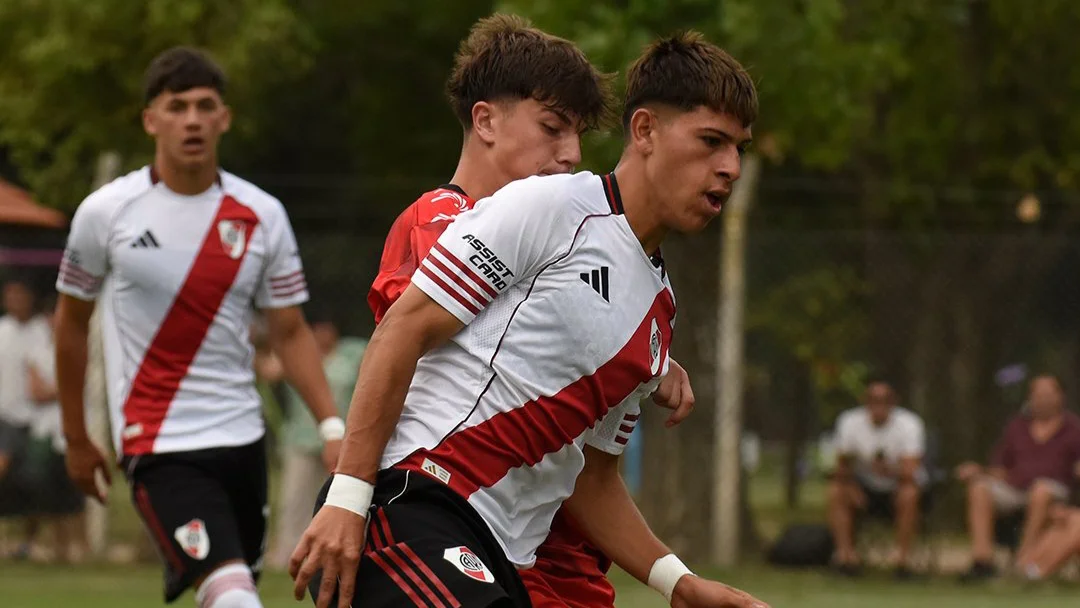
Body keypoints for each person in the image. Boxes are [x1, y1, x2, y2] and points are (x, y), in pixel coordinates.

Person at [291, 30, 766, 608]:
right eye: (712, 141)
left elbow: (590, 480)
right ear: (644, 131)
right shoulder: (550, 206)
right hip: (423, 502)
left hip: (505, 557)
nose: (730, 167)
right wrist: (348, 497)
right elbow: (403, 330)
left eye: (739, 148)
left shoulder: (660, 313)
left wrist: (680, 583)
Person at [366, 15, 695, 608]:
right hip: (450, 515)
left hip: (554, 545)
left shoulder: (576, 240)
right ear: (485, 120)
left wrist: (643, 352)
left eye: (577, 136)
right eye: (551, 129)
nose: (570, 154)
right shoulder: (440, 218)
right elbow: (420, 333)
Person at [53, 47, 344, 608]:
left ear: (224, 119)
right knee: (232, 596)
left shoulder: (261, 214)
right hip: (157, 443)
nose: (191, 118)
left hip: (243, 439)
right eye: (176, 105)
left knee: (234, 592)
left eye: (204, 106)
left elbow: (289, 331)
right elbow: (70, 325)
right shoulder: (105, 213)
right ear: (151, 120)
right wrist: (74, 436)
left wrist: (332, 425)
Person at [260, 308, 366, 571]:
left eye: (326, 329)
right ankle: (287, 553)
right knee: (294, 500)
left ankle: (332, 552)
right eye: (316, 330)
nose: (323, 335)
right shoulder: (300, 356)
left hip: (342, 441)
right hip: (301, 439)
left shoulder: (351, 353)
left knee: (335, 499)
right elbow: (269, 369)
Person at [956, 374, 1080, 581]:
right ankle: (982, 561)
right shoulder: (1017, 426)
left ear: (1061, 397)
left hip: (1056, 492)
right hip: (1016, 487)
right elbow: (1000, 468)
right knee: (979, 488)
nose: (1043, 399)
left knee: (1042, 491)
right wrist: (980, 472)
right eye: (1038, 395)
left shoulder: (1075, 429)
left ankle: (1025, 560)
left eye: (1048, 394)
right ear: (1030, 398)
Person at [826, 379, 928, 578]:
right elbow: (842, 465)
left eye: (885, 400)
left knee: (909, 494)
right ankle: (845, 558)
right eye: (873, 399)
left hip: (898, 488)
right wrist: (851, 485)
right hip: (863, 487)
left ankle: (902, 561)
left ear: (894, 402)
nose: (879, 405)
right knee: (836, 491)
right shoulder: (849, 422)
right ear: (865, 401)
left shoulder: (909, 424)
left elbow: (910, 471)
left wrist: (887, 470)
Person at [24, 295, 88, 562]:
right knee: (42, 489)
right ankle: (45, 545)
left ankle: (76, 547)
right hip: (43, 429)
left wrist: (59, 390)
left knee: (74, 493)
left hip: (72, 431)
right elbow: (37, 391)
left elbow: (82, 385)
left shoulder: (81, 347)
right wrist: (64, 389)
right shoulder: (37, 351)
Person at [0, 277, 53, 556]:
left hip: (35, 421)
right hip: (3, 418)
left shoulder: (40, 331)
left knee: (35, 485)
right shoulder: (2, 330)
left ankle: (27, 543)